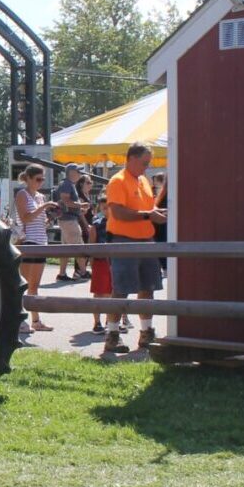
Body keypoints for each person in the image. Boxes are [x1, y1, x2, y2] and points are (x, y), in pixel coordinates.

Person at [102, 142, 167, 354]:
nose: (147, 167)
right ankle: (112, 335)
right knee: (121, 289)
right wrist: (150, 215)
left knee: (147, 288)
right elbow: (118, 213)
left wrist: (158, 211)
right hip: (124, 240)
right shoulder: (118, 181)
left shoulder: (143, 181)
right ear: (131, 158)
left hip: (146, 241)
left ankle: (146, 333)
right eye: (144, 163)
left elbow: (147, 208)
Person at [15, 164, 58, 334]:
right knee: (23, 284)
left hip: (41, 242)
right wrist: (44, 207)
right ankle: (19, 319)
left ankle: (36, 320)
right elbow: (25, 219)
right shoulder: (22, 194)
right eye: (38, 179)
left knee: (34, 285)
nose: (41, 183)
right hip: (29, 243)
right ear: (29, 179)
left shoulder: (40, 197)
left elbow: (39, 221)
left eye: (43, 179)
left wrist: (51, 216)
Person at [54, 163, 89, 281]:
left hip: (66, 219)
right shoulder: (67, 184)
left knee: (66, 249)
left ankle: (62, 274)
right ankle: (83, 272)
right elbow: (65, 201)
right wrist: (81, 205)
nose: (80, 173)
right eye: (78, 171)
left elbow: (67, 202)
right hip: (69, 220)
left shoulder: (67, 184)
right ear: (71, 173)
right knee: (78, 246)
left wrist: (79, 208)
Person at [88, 194, 113, 332]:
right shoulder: (96, 225)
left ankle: (110, 320)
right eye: (104, 208)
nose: (107, 210)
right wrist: (91, 261)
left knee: (112, 293)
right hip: (100, 261)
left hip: (114, 261)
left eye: (110, 207)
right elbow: (91, 244)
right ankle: (97, 323)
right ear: (100, 208)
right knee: (99, 293)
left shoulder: (119, 224)